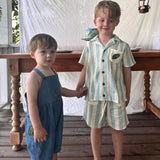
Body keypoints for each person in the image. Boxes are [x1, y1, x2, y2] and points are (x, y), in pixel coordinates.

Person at [76, 1, 136, 160]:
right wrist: (78, 86)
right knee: (96, 128)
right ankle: (97, 157)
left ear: (117, 22)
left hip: (116, 96)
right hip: (94, 95)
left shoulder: (123, 47)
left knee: (117, 129)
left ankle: (118, 157)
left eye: (110, 20)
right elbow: (85, 68)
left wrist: (127, 93)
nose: (106, 24)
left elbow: (127, 71)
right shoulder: (89, 46)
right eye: (102, 20)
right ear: (95, 21)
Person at [25, 33, 87, 160]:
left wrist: (77, 93)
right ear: (33, 54)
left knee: (53, 146)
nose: (49, 55)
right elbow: (31, 104)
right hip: (40, 119)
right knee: (40, 150)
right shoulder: (33, 77)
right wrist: (37, 127)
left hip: (54, 116)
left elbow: (60, 90)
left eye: (52, 51)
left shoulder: (52, 71)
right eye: (43, 52)